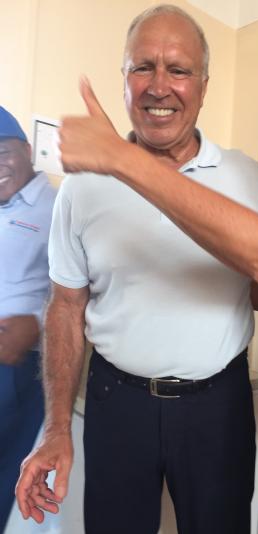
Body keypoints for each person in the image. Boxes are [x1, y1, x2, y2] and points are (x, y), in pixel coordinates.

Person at [18, 5, 258, 534]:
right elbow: (66, 304)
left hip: (233, 414)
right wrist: (56, 427)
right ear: (123, 79)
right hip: (132, 407)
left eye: (178, 70)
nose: (159, 86)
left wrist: (123, 162)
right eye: (142, 67)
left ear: (203, 85)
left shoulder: (250, 179)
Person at [0, 106, 56, 532]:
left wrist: (35, 322)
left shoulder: (57, 207)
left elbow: (80, 292)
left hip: (16, 370)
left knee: (8, 481)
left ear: (28, 150)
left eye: (3, 153)